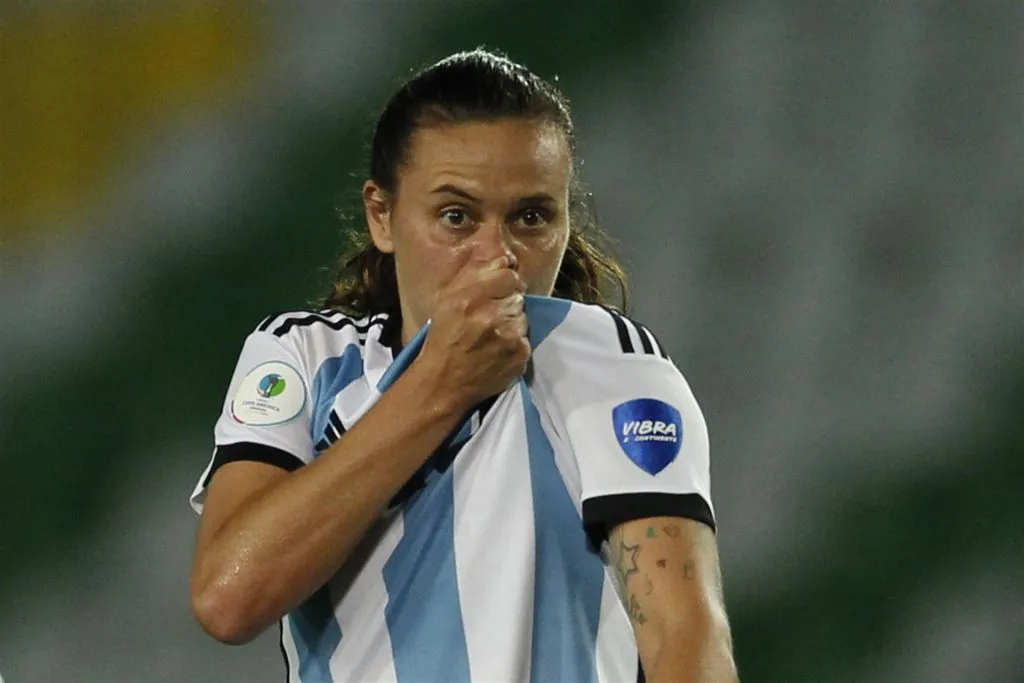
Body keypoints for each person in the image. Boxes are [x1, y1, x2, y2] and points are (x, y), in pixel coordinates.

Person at [189, 48, 738, 683]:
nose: (496, 255)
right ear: (383, 216)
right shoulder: (304, 357)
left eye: (531, 217)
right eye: (456, 216)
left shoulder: (608, 364)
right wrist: (440, 384)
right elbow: (228, 600)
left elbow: (685, 639)